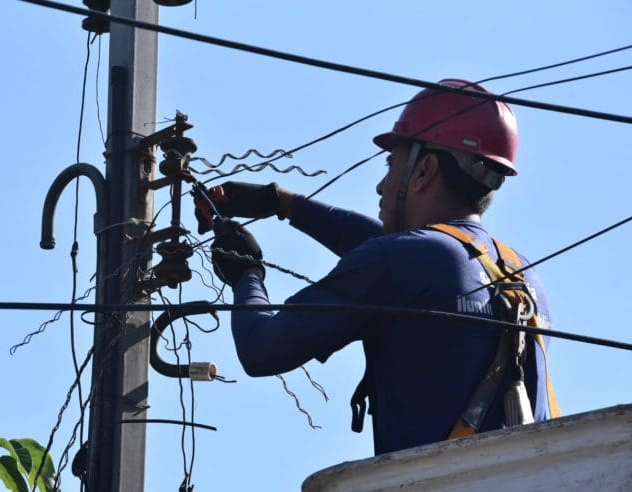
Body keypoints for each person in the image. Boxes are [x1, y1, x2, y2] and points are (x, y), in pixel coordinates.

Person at [197, 79, 561, 455]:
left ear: (425, 171)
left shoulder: (402, 260)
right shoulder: (520, 273)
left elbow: (262, 348)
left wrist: (246, 275)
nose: (380, 186)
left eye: (392, 165)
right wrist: (284, 204)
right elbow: (402, 253)